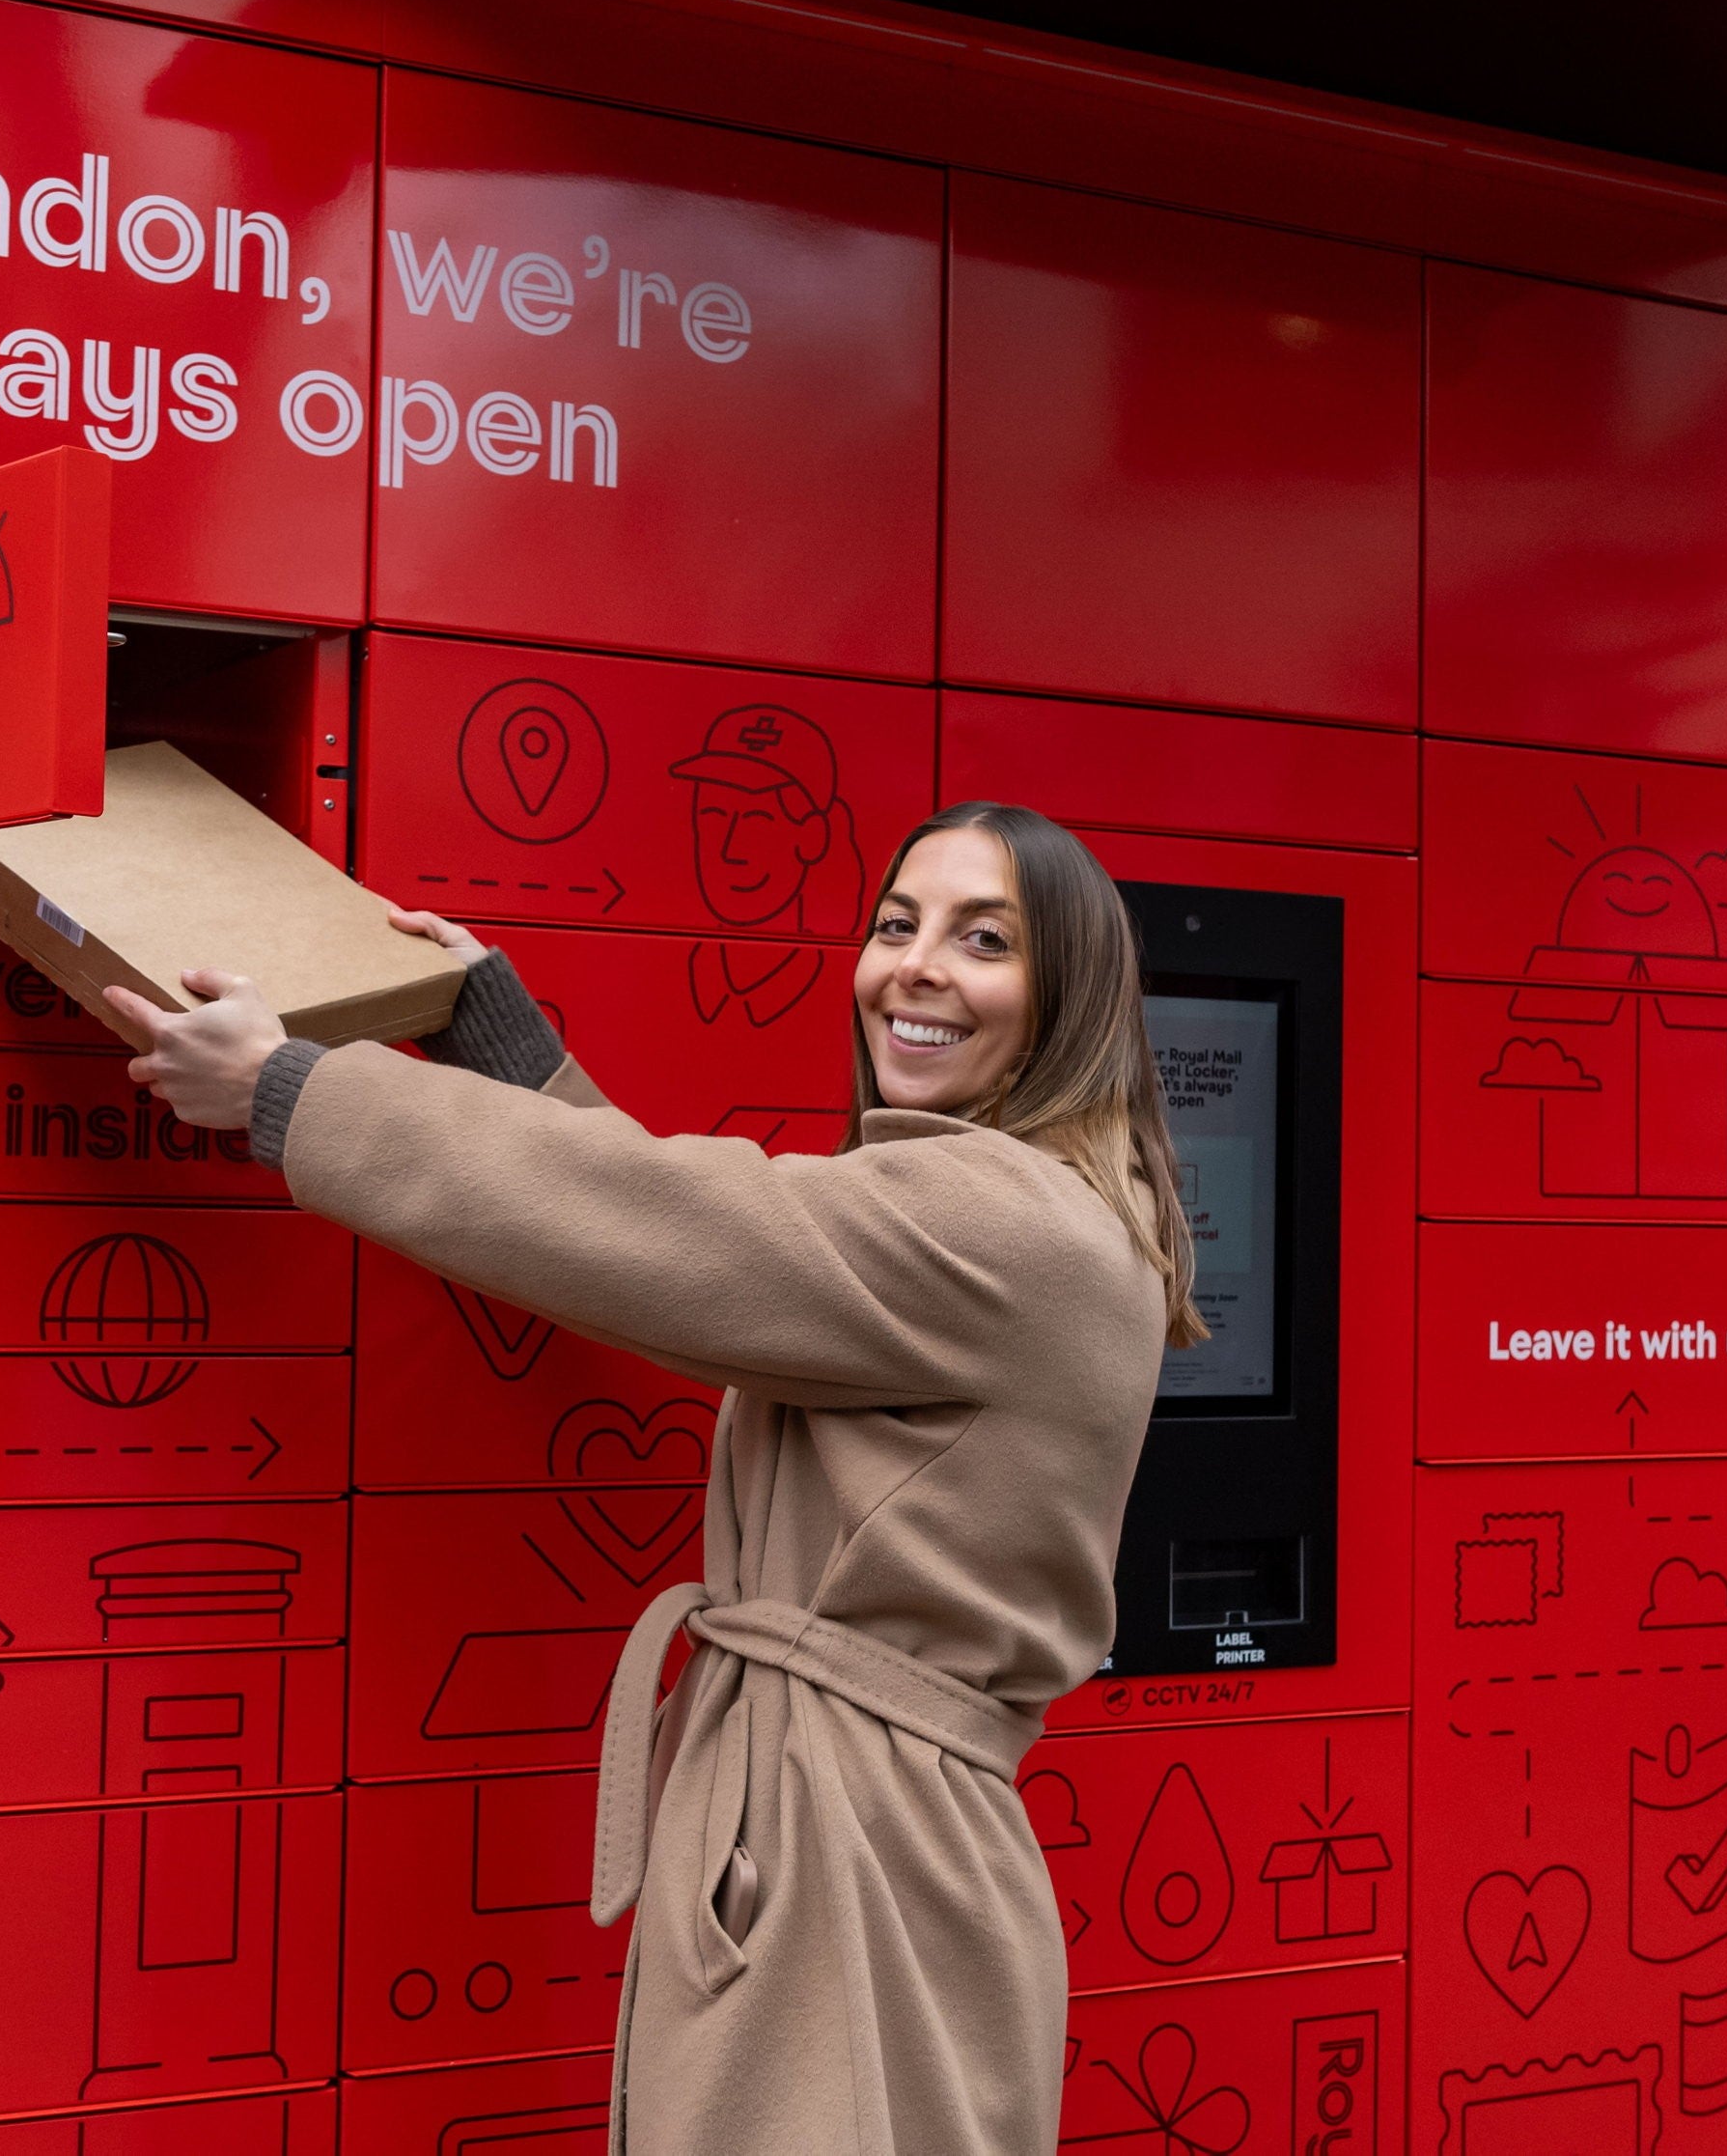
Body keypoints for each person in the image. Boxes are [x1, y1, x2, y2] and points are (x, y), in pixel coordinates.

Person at [110, 800, 1201, 2156]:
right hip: (866, 1828)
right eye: (895, 924)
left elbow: (688, 1232)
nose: (915, 966)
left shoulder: (1002, 1225)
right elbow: (695, 1258)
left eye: (985, 940)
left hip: (861, 1851)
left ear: (1072, 1000)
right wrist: (512, 1060)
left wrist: (292, 1092)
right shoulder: (1029, 1214)